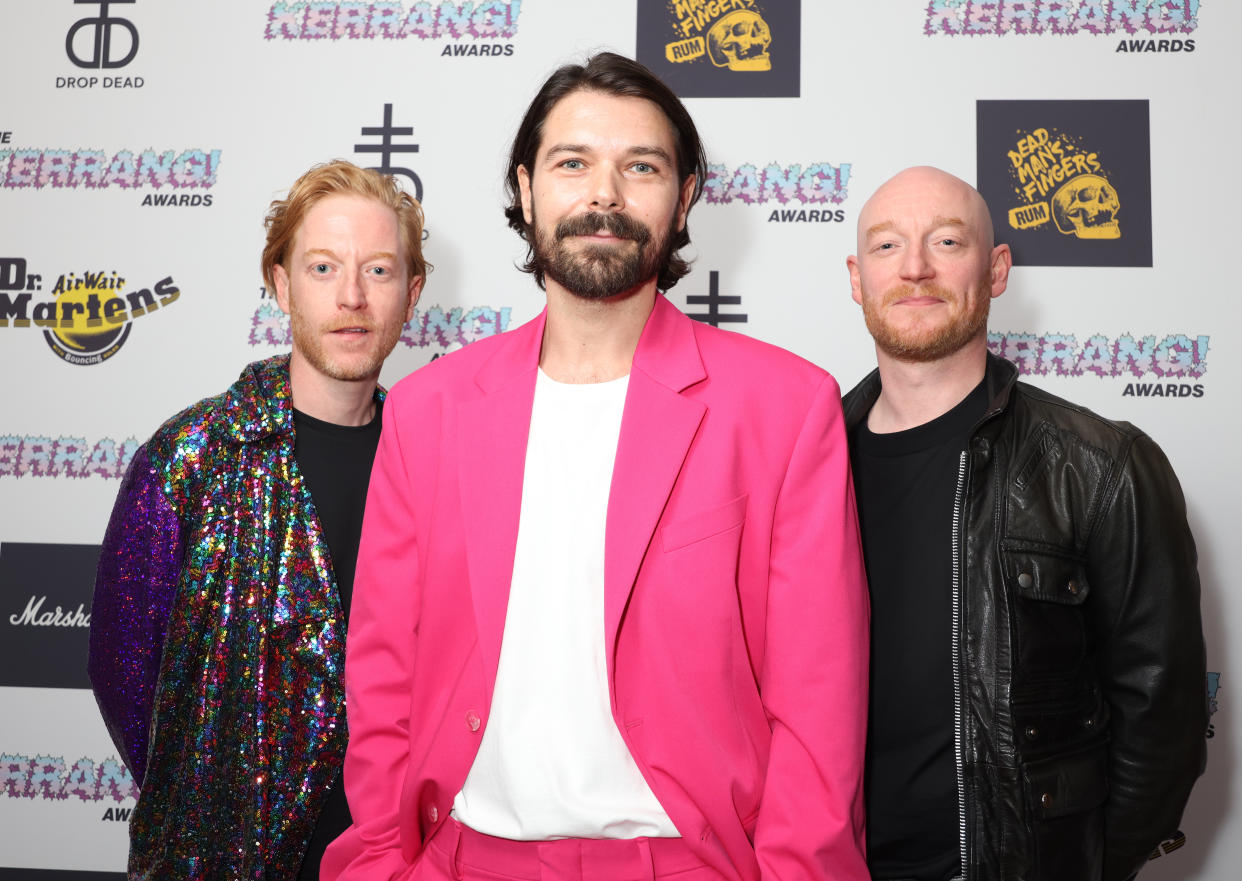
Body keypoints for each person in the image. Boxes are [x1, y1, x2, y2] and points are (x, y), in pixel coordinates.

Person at [322, 53, 870, 881]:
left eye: (640, 166)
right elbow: (383, 673)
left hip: (686, 861)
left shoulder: (785, 407)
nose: (604, 194)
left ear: (683, 198)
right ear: (527, 187)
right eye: (572, 163)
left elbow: (817, 705)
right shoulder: (428, 410)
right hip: (463, 858)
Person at [842, 166, 1206, 881]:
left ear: (997, 267)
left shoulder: (1102, 466)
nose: (915, 267)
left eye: (946, 241)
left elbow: (1162, 718)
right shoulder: (800, 462)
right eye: (887, 247)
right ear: (857, 278)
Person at [87, 159, 427, 880]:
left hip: (394, 857)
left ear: (413, 293)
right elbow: (124, 676)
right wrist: (212, 808)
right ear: (280, 285)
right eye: (324, 267)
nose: (352, 297)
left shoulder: (438, 463)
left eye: (379, 271)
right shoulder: (192, 458)